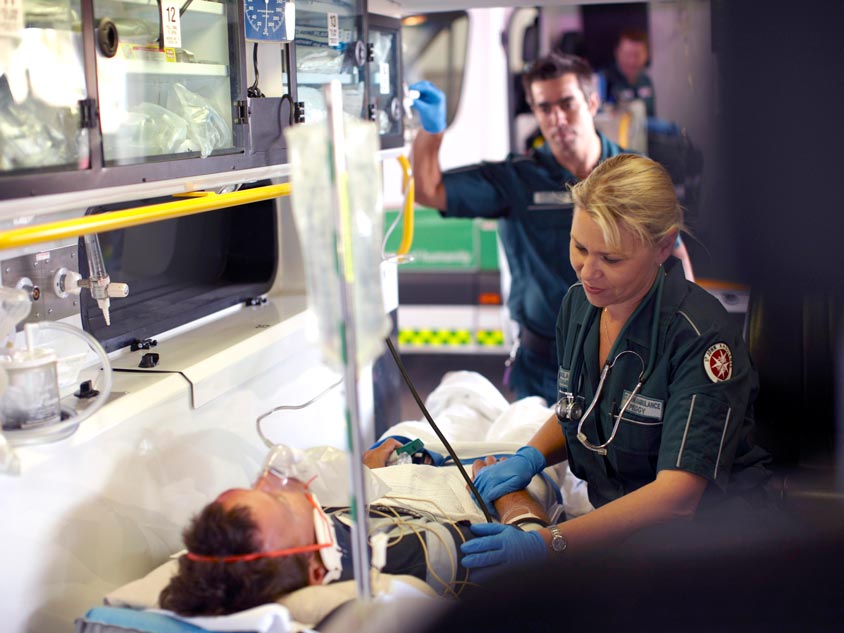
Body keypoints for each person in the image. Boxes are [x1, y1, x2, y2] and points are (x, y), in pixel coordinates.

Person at [456, 154, 772, 575]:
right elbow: (580, 408)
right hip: (622, 527)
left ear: (663, 247)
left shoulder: (700, 338)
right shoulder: (579, 305)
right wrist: (531, 456)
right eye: (580, 247)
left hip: (709, 543)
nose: (588, 272)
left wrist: (550, 543)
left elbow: (677, 497)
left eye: (612, 259)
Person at [410, 52, 693, 406]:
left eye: (566, 104)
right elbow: (428, 190)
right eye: (544, 108)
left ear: (592, 102)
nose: (557, 118)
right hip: (544, 366)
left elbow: (674, 256)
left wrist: (685, 343)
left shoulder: (633, 176)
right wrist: (431, 131)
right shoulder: (517, 178)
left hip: (627, 359)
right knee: (537, 443)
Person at [158, 439, 553, 616]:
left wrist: (379, 469)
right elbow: (531, 553)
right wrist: (511, 494)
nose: (276, 480)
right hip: (490, 482)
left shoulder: (298, 540)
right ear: (316, 571)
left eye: (256, 488)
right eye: (280, 500)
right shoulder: (407, 554)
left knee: (403, 430)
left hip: (406, 477)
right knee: (468, 393)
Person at [601, 28, 656, 117]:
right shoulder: (604, 80)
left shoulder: (646, 80)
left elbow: (650, 115)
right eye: (627, 55)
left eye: (637, 55)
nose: (632, 61)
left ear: (647, 55)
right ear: (617, 52)